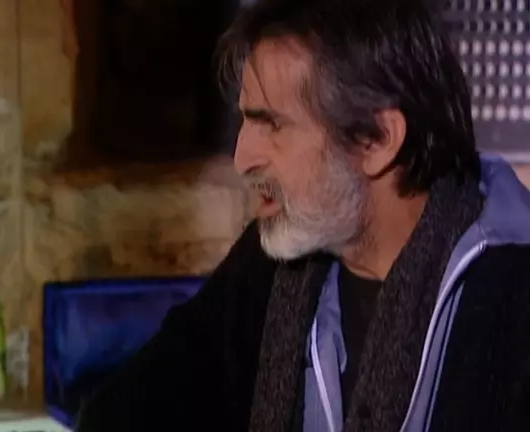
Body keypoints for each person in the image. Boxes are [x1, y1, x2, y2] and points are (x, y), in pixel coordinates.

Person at [76, 0, 530, 430]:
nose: (242, 158)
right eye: (245, 121)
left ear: (377, 140)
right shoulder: (270, 266)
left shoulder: (514, 291)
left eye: (271, 124)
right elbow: (119, 415)